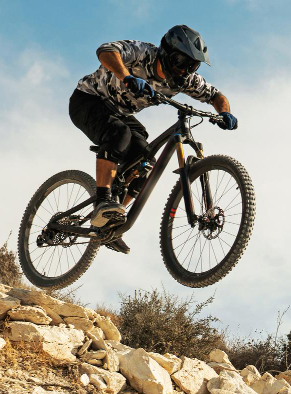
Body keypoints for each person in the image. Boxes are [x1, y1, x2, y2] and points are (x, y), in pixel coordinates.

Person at [69, 24, 237, 254]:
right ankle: (102, 200)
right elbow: (105, 50)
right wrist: (126, 76)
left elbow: (216, 95)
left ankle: (111, 223)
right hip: (89, 100)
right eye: (181, 62)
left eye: (192, 65)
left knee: (145, 162)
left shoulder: (185, 80)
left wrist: (224, 112)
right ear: (167, 53)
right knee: (119, 134)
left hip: (121, 113)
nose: (185, 70)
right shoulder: (143, 53)